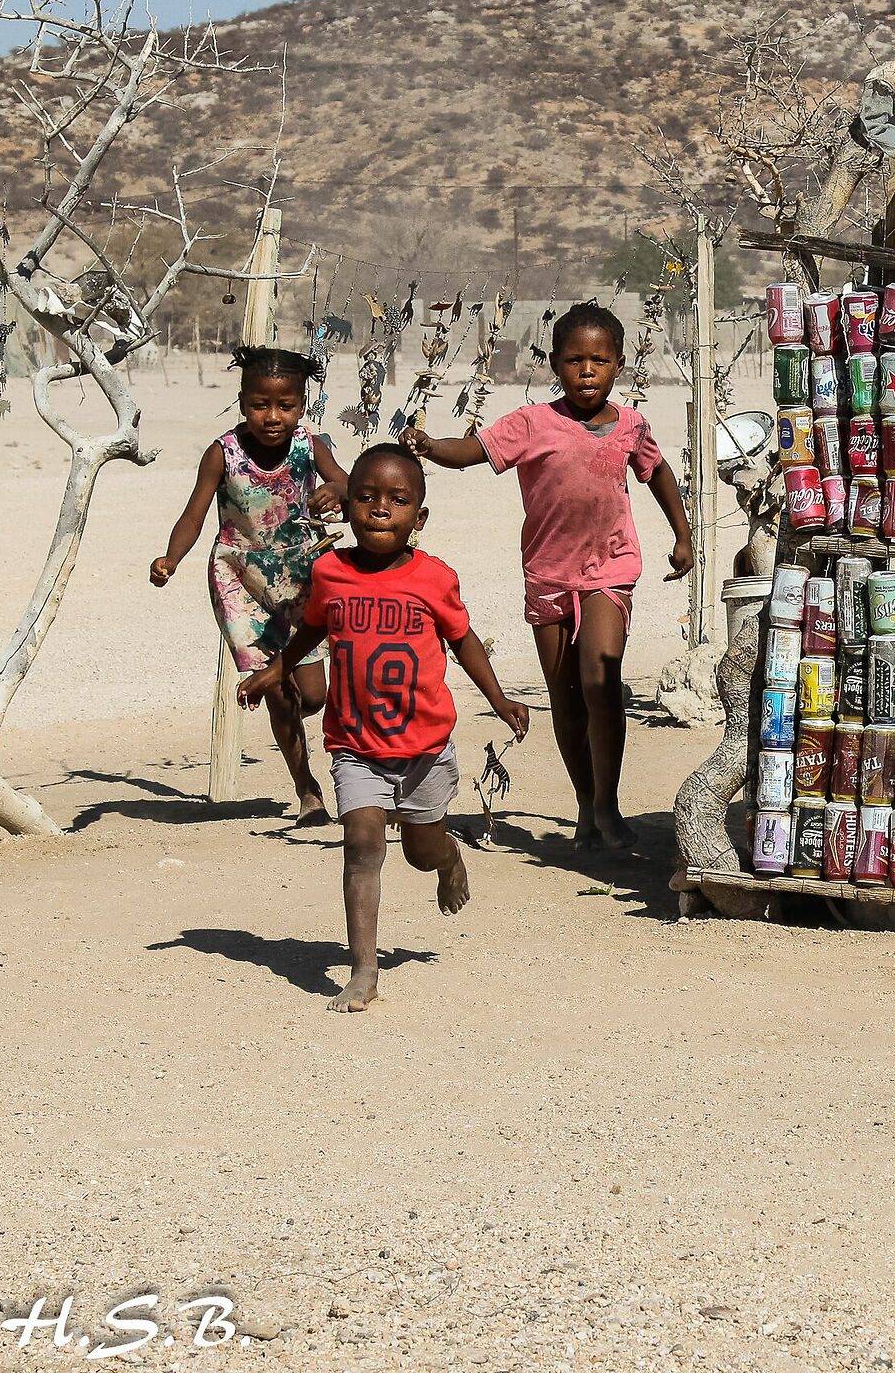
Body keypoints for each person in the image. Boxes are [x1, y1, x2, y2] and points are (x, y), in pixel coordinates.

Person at [240, 443, 530, 1012]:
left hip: (424, 747)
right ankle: (363, 971)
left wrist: (497, 699)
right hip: (354, 744)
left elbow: (464, 640)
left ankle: (448, 861)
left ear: (418, 518)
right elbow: (310, 634)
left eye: (397, 501)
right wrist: (275, 668)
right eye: (366, 498)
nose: (379, 509)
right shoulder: (330, 572)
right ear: (346, 506)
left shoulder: (434, 578)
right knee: (363, 844)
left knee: (420, 850)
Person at [406, 302, 693, 851]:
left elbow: (658, 473)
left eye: (600, 360)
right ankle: (585, 805)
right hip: (547, 573)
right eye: (574, 360)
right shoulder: (533, 422)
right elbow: (473, 451)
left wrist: (682, 535)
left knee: (600, 685)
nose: (588, 371)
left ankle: (608, 804)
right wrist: (430, 446)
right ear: (556, 365)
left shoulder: (631, 425)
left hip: (609, 567)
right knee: (564, 697)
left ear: (620, 364)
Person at [151, 346, 349, 824]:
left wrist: (334, 491)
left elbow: (349, 481)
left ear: (302, 403)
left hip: (301, 577)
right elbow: (195, 512)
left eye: (286, 405)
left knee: (314, 696)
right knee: (281, 691)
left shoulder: (310, 445)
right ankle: (308, 792)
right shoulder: (223, 453)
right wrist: (171, 557)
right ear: (243, 402)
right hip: (240, 582)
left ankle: (283, 710)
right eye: (261, 405)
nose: (273, 416)